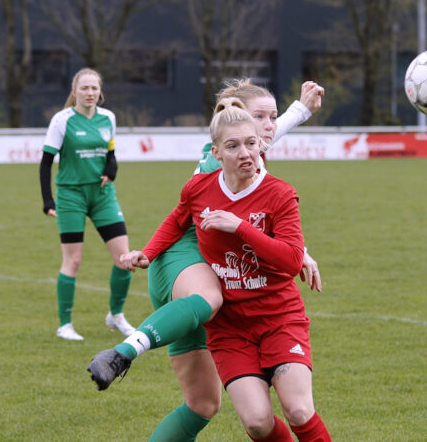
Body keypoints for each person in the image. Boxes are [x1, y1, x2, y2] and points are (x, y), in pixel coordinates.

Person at [88, 79, 324, 442]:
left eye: (272, 118)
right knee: (212, 299)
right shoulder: (216, 168)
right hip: (186, 255)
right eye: (260, 117)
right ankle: (123, 352)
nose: (269, 126)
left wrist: (298, 249)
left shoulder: (247, 148)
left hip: (219, 267)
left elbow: (264, 201)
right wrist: (150, 253)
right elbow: (188, 215)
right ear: (224, 137)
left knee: (203, 404)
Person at [39, 68, 136, 341]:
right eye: (84, 88)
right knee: (74, 260)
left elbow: (111, 153)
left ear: (100, 91)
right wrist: (48, 199)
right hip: (71, 196)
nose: (90, 93)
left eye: (94, 88)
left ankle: (116, 316)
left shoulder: (108, 118)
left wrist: (111, 168)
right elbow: (46, 163)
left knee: (124, 259)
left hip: (103, 196)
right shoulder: (62, 120)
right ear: (74, 91)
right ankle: (65, 325)